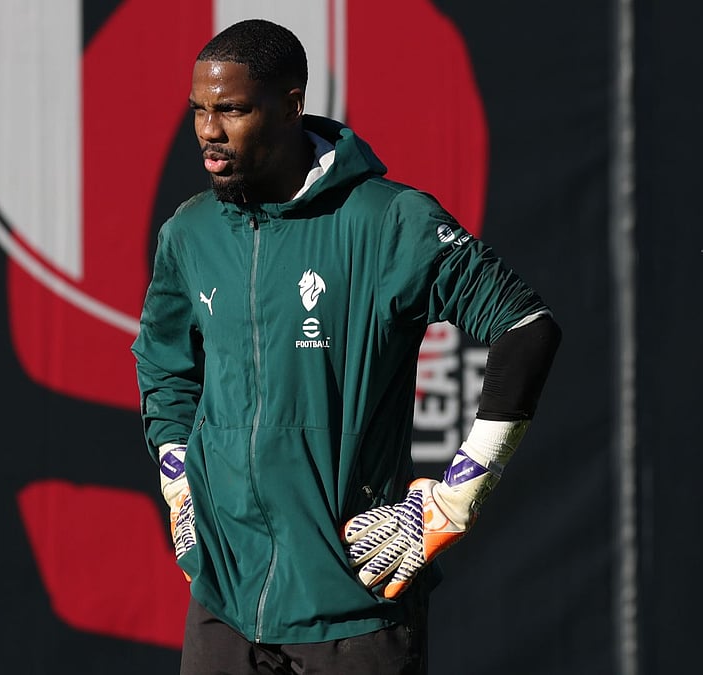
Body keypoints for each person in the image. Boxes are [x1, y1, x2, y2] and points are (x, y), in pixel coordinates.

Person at [132, 19, 561, 675]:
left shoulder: (393, 222)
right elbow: (165, 366)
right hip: (224, 604)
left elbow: (528, 327)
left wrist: (455, 499)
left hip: (355, 607)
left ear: (291, 107)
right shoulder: (190, 232)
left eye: (232, 110)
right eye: (199, 111)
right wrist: (179, 484)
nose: (209, 134)